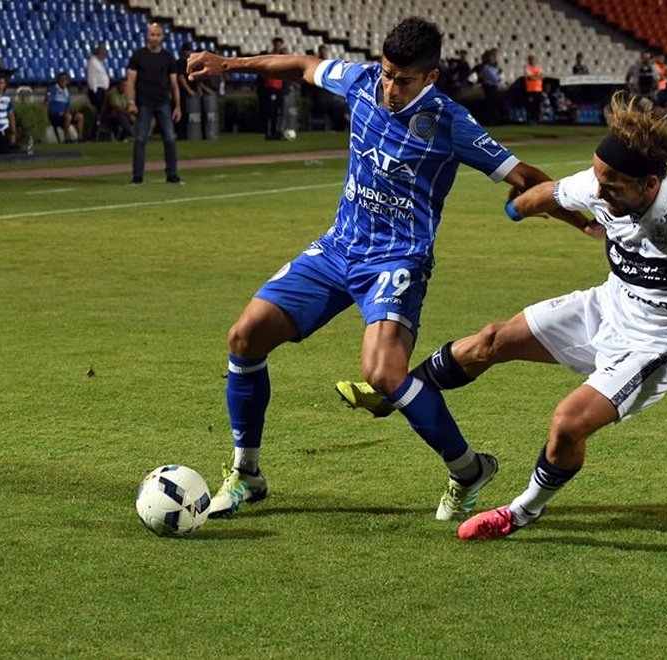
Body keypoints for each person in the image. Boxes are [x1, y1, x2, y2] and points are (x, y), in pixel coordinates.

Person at [337, 91, 667, 540]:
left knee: (567, 423)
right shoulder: (602, 183)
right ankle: (396, 397)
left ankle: (522, 511)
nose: (598, 190)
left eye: (610, 187)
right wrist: (518, 208)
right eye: (597, 179)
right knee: (490, 340)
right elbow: (551, 194)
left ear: (649, 184)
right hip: (608, 306)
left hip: (661, 341)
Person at [186, 16, 572, 521]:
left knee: (384, 374)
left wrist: (584, 220)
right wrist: (230, 64)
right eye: (387, 73)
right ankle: (247, 473)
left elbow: (523, 176)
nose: (390, 87)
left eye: (403, 79)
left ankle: (468, 469)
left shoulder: (449, 122)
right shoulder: (362, 81)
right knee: (245, 336)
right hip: (338, 248)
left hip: (397, 259)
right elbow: (303, 65)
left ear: (430, 76)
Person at [126, 22, 182, 184]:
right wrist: (131, 102)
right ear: (147, 35)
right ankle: (137, 176)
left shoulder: (168, 58)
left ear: (163, 37)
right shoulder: (138, 56)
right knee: (141, 138)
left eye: (158, 35)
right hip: (144, 103)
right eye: (152, 35)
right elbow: (130, 81)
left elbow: (174, 84)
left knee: (170, 138)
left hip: (163, 102)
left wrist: (177, 106)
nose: (155, 38)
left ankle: (172, 174)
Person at [45, 72, 86, 143]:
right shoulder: (53, 90)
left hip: (65, 114)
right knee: (68, 117)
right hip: (55, 115)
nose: (64, 81)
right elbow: (46, 103)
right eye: (62, 80)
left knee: (80, 116)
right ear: (58, 81)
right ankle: (67, 138)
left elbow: (68, 105)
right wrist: (46, 117)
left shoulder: (67, 91)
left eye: (65, 80)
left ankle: (80, 137)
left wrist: (70, 110)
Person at [86, 44, 111, 137]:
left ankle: (98, 132)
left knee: (101, 112)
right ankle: (93, 133)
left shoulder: (98, 63)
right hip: (97, 91)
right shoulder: (93, 62)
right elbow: (92, 77)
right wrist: (94, 91)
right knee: (98, 112)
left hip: (102, 90)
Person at [523, 55, 544, 123]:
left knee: (538, 105)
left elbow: (542, 76)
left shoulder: (539, 68)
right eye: (531, 60)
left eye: (533, 59)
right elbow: (529, 77)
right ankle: (531, 119)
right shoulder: (527, 68)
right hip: (530, 90)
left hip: (538, 89)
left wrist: (534, 77)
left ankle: (537, 119)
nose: (532, 61)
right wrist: (537, 77)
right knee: (531, 105)